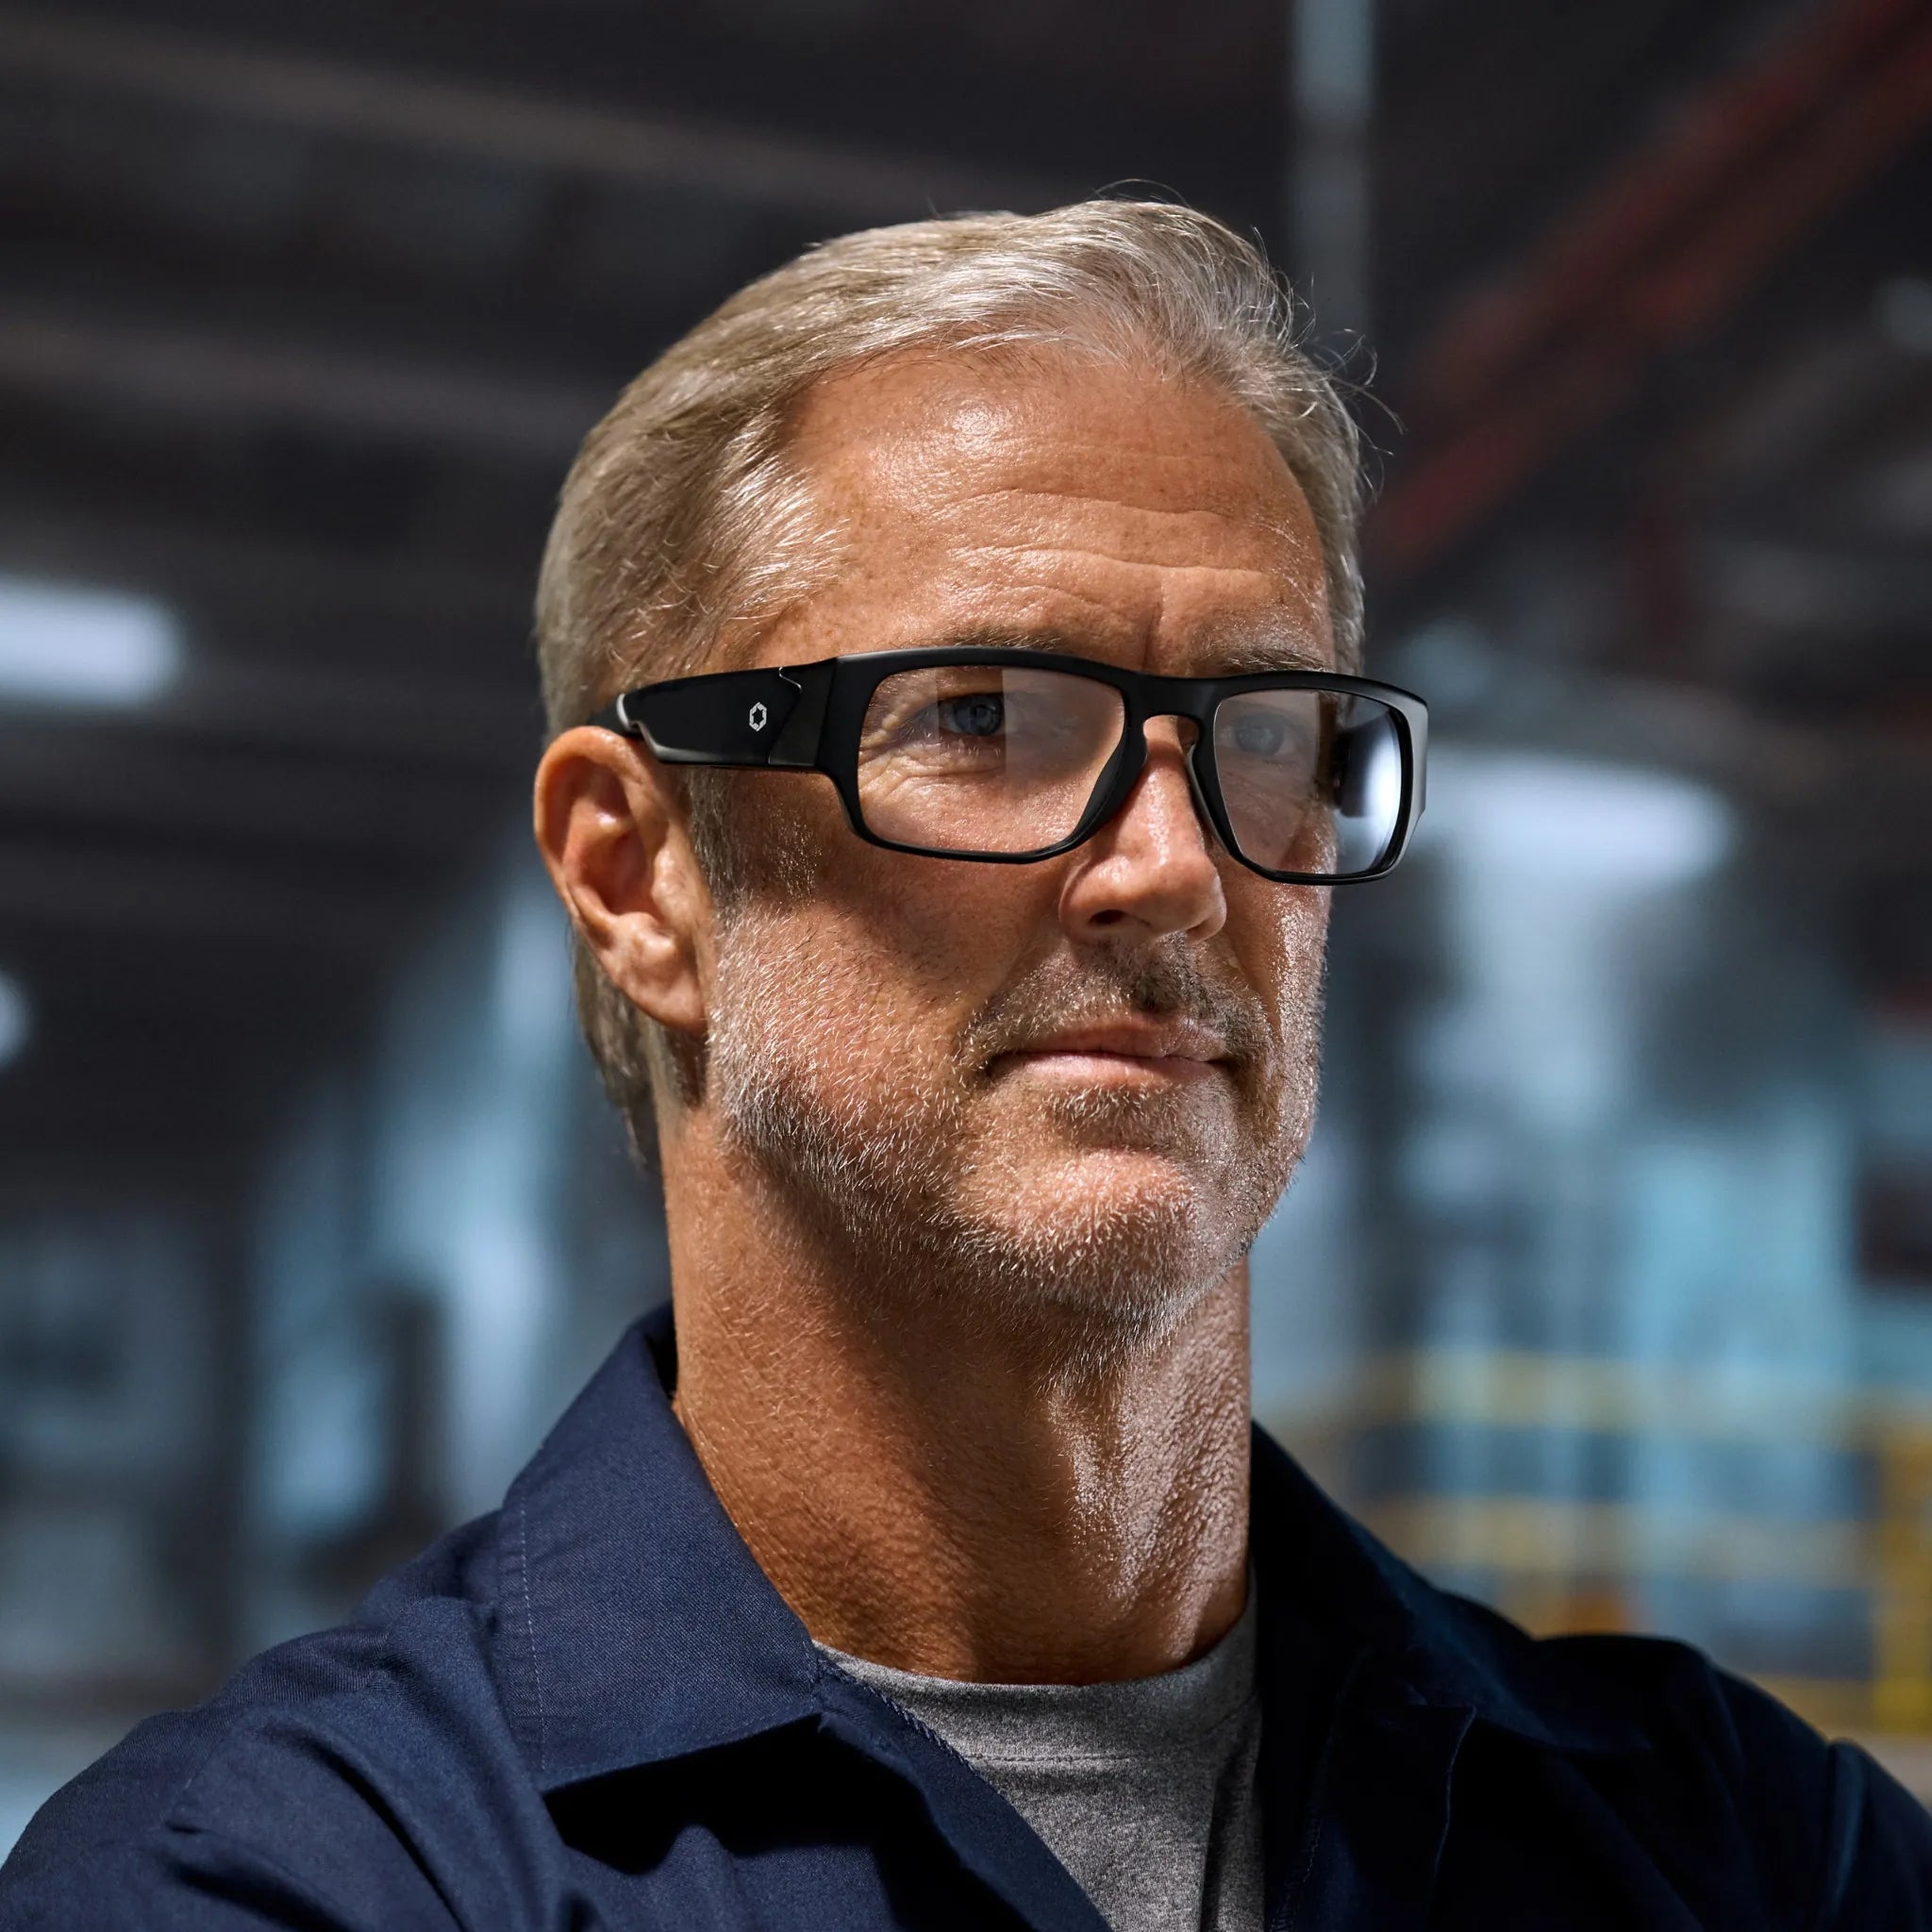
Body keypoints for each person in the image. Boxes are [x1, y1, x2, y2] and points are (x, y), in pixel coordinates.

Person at [3, 198, 1926, 1932]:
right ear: (639, 873)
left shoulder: (1742, 1849)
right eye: (987, 715)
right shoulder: (285, 1884)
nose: (1175, 865)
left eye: (1266, 731)